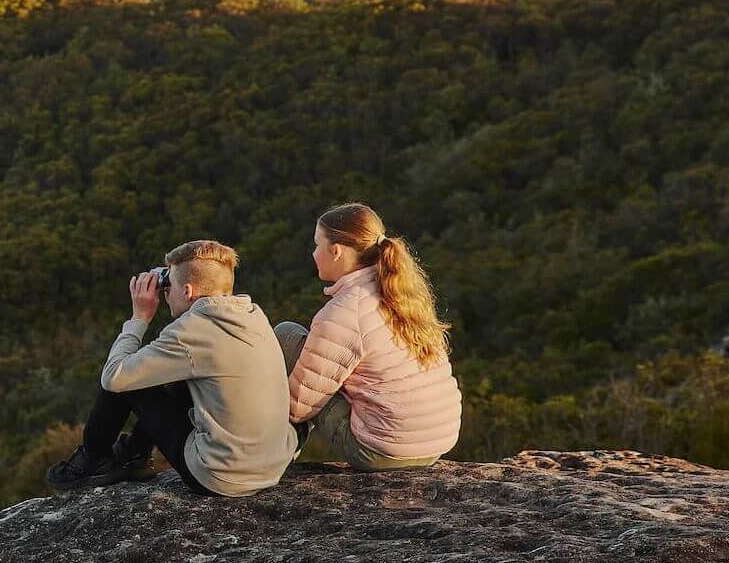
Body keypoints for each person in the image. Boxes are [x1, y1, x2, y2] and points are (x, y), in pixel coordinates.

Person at [46, 239, 298, 496]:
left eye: (169, 286)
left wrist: (139, 318)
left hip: (221, 476)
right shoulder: (253, 315)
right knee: (175, 374)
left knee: (129, 380)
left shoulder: (191, 331)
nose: (165, 293)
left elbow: (113, 377)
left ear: (187, 291)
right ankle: (134, 453)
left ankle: (92, 459)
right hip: (273, 465)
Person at [275, 202, 461, 470]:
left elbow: (298, 407)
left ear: (336, 251)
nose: (314, 254)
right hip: (436, 442)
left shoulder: (344, 311)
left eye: (317, 245)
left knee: (287, 336)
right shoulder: (402, 294)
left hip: (383, 451)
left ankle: (272, 458)